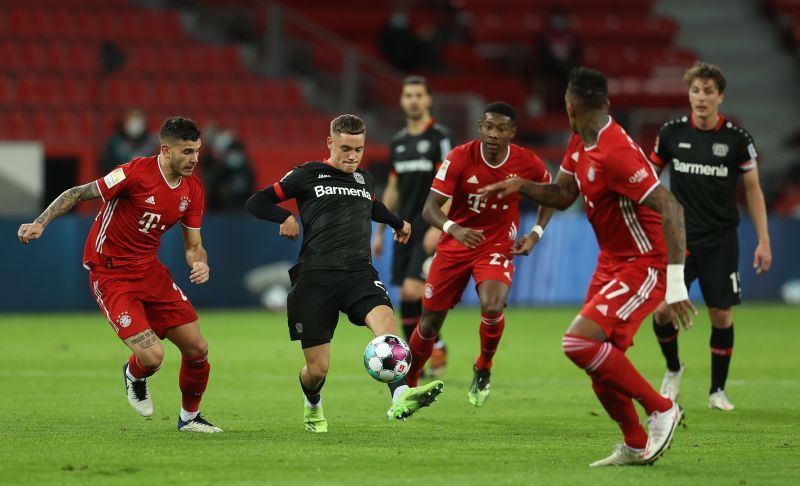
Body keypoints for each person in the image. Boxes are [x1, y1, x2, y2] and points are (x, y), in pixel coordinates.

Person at [479, 68, 695, 466]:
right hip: (610, 262)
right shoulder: (580, 142)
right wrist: (520, 186)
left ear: (569, 107)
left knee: (579, 343)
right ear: (604, 104)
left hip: (644, 263)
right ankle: (634, 443)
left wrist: (676, 285)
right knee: (601, 361)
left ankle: (661, 407)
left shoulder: (618, 153)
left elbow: (672, 208)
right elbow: (563, 195)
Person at [18, 117, 221, 433]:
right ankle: (135, 375)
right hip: (110, 274)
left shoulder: (192, 190)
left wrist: (200, 263)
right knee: (153, 357)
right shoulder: (134, 173)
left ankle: (190, 418)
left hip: (150, 271)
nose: (194, 159)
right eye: (186, 152)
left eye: (196, 151)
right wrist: (41, 223)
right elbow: (77, 192)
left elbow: (194, 245)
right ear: (165, 150)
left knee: (198, 348)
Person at [245, 114, 444, 433]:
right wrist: (283, 217)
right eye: (346, 148)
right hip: (315, 278)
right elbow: (258, 201)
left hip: (358, 273)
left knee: (387, 328)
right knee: (318, 370)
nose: (352, 156)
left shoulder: (364, 179)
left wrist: (397, 222)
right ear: (330, 143)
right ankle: (313, 404)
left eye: (359, 149)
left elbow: (372, 205)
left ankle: (401, 396)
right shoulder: (307, 174)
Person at [404, 102, 555, 408]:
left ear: (512, 132)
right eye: (488, 127)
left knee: (492, 304)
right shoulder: (460, 156)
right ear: (480, 128)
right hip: (455, 244)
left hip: (496, 245)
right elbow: (429, 207)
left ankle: (484, 366)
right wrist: (453, 228)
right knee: (430, 322)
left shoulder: (528, 163)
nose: (493, 134)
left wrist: (536, 233)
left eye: (501, 129)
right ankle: (407, 387)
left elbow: (550, 194)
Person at [649, 62, 772, 411]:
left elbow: (753, 190)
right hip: (679, 240)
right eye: (695, 91)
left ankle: (717, 390)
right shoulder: (671, 133)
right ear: (689, 94)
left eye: (708, 91)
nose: (701, 98)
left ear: (720, 96)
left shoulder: (737, 139)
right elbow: (646, 178)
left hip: (720, 240)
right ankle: (673, 369)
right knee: (661, 311)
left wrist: (764, 240)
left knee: (722, 316)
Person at [372, 75, 452, 378]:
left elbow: (451, 184)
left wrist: (439, 225)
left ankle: (429, 347)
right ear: (402, 100)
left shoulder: (439, 138)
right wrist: (380, 229)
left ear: (428, 99)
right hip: (402, 227)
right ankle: (425, 349)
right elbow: (393, 188)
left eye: (419, 94)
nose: (414, 100)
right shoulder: (399, 142)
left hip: (428, 225)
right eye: (408, 95)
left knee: (412, 288)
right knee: (405, 296)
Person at [101, 109, 159, 174]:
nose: (135, 125)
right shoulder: (115, 140)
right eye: (132, 121)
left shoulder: (149, 141)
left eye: (138, 121)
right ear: (125, 122)